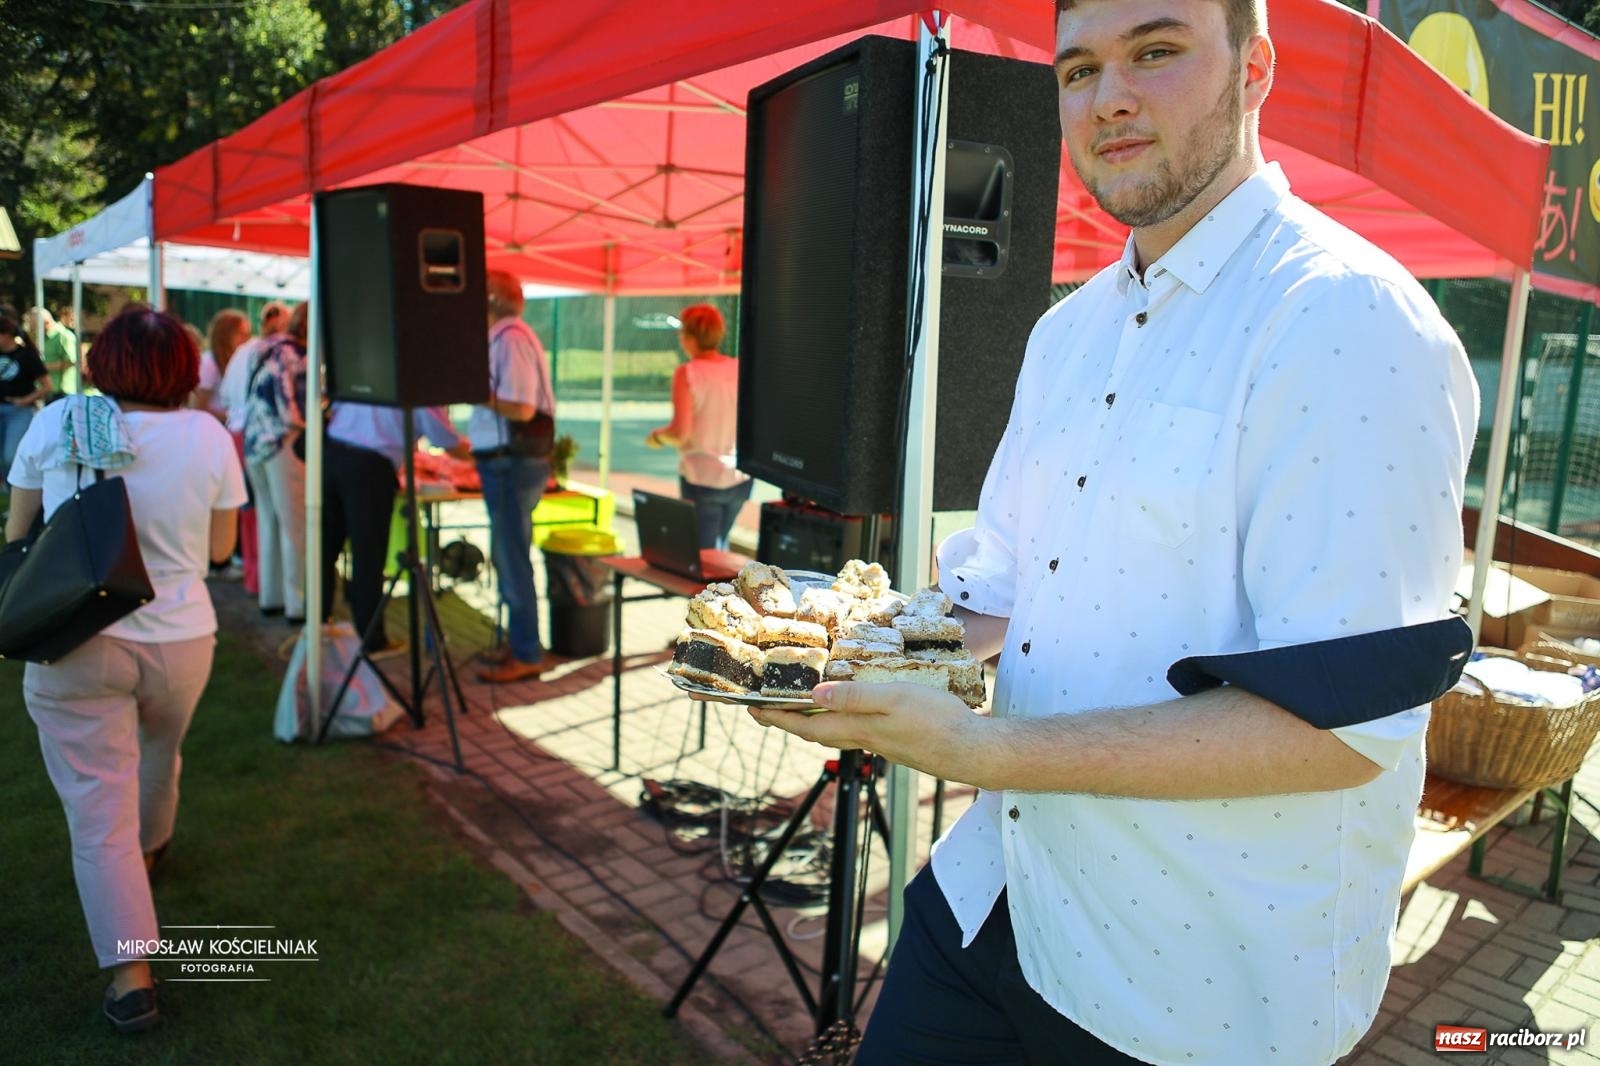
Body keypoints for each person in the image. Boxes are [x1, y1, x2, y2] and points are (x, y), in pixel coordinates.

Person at [751, 2, 1479, 1063]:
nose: (1109, 98)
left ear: (1256, 68)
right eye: (1078, 69)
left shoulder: (1347, 321)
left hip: (1187, 988)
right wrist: (832, 654)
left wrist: (978, 747)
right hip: (997, 886)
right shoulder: (1066, 330)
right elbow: (998, 587)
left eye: (1156, 51)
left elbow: (1342, 727)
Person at [5, 307, 247, 1034]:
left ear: (101, 360)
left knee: (94, 810)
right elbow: (217, 550)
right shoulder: (208, 435)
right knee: (159, 755)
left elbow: (18, 536)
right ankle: (151, 853)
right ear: (184, 367)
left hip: (77, 637)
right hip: (180, 639)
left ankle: (131, 979)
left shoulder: (55, 422)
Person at [322, 403, 471, 657]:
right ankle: (370, 639)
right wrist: (478, 453)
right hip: (369, 464)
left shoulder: (369, 366)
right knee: (367, 554)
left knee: (326, 547)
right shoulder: (419, 377)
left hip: (335, 451)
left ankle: (319, 625)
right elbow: (443, 436)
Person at [470, 269, 557, 684]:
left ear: (490, 298)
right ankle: (520, 643)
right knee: (509, 555)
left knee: (511, 558)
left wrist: (472, 389)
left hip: (511, 462)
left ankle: (526, 651)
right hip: (509, 462)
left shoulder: (510, 338)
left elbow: (521, 408)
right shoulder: (508, 337)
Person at [645, 303, 752, 550]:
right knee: (719, 549)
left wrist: (657, 437)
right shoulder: (738, 367)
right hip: (740, 476)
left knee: (703, 556)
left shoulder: (688, 373)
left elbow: (680, 433)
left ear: (690, 338)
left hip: (702, 477)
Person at [242, 302, 310, 623]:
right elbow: (292, 410)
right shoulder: (294, 354)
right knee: (294, 526)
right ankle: (298, 605)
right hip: (283, 444)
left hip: (254, 443)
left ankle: (271, 598)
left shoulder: (264, 348)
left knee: (268, 521)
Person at [220, 302, 290, 597]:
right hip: (263, 439)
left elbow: (226, 395)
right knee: (271, 515)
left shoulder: (244, 351)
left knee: (253, 511)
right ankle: (268, 585)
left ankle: (256, 580)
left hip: (240, 435)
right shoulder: (278, 352)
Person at [0, 313, 51, 479]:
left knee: (11, 456)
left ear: (6, 335)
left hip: (19, 412)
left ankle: (16, 492)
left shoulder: (27, 355)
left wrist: (24, 401)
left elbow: (47, 386)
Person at [193, 308, 250, 421]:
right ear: (225, 335)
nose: (246, 339)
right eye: (241, 334)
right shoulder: (209, 363)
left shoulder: (236, 360)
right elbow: (199, 407)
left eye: (247, 334)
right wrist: (232, 416)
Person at [26, 306, 78, 397]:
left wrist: (41, 367)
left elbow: (71, 361)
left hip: (63, 392)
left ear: (46, 322)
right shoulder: (42, 338)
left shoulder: (64, 336)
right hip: (48, 392)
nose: (32, 329)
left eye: (34, 325)